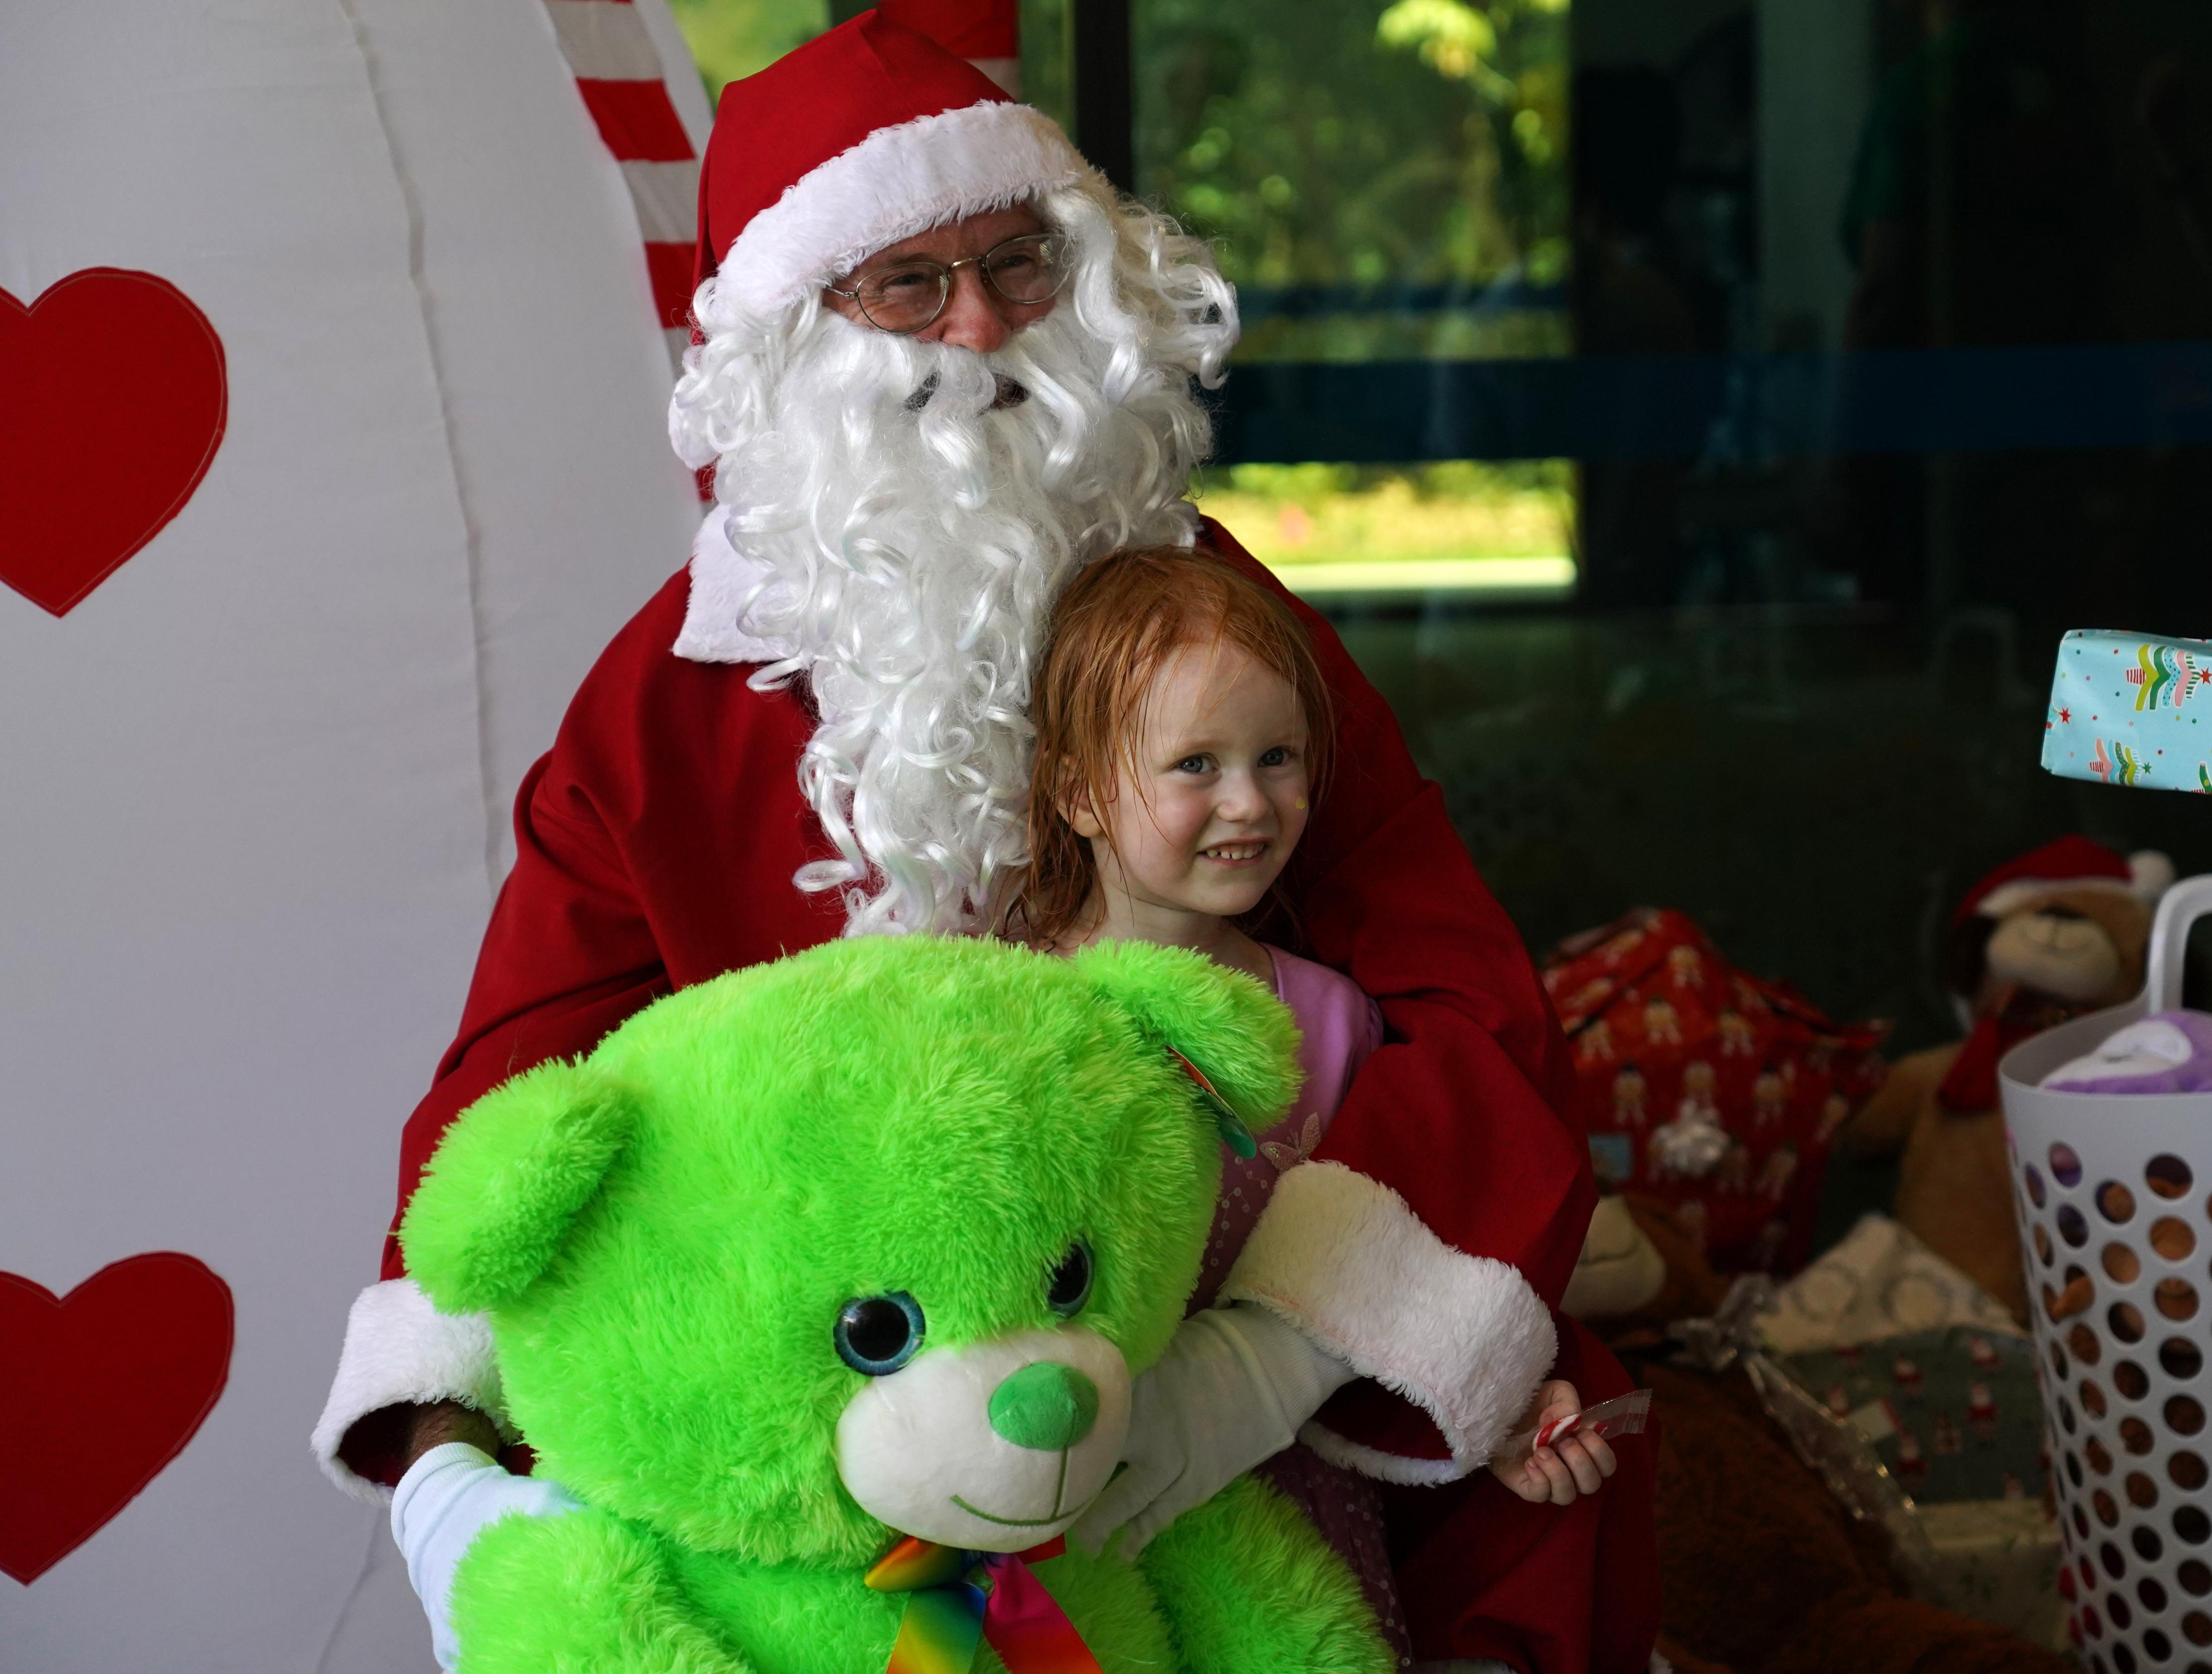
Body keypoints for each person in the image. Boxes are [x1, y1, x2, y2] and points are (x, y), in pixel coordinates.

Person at [307, 15, 1656, 1672]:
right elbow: (513, 1091)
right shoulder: (662, 713)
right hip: (822, 1406)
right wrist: (446, 1474)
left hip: (1196, 1328)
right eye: (906, 285)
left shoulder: (1217, 618)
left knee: (1548, 1461)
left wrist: (1265, 1360)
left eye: (1019, 265)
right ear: (792, 336)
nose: (982, 333)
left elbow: (1463, 995)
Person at [1019, 546, 1621, 1654]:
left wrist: (1496, 1413)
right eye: (1194, 762)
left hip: (1303, 1522)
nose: (1249, 801)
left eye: (1279, 755)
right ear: (1076, 789)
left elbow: (1399, 1289)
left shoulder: (1337, 1024)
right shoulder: (1004, 1013)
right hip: (1090, 1532)